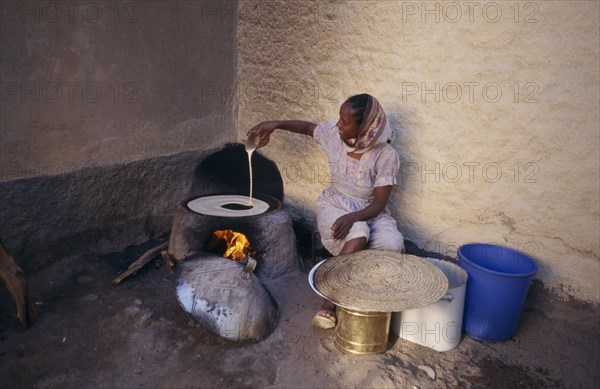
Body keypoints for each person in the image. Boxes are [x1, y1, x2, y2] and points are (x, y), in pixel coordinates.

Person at [247, 93, 404, 329]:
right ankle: (329, 299)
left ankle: (354, 280)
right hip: (335, 204)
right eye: (339, 118)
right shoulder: (334, 134)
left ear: (365, 128)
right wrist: (276, 124)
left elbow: (380, 203)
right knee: (359, 233)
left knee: (393, 243)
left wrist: (353, 216)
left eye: (346, 122)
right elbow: (308, 128)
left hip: (371, 210)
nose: (338, 124)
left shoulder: (385, 155)